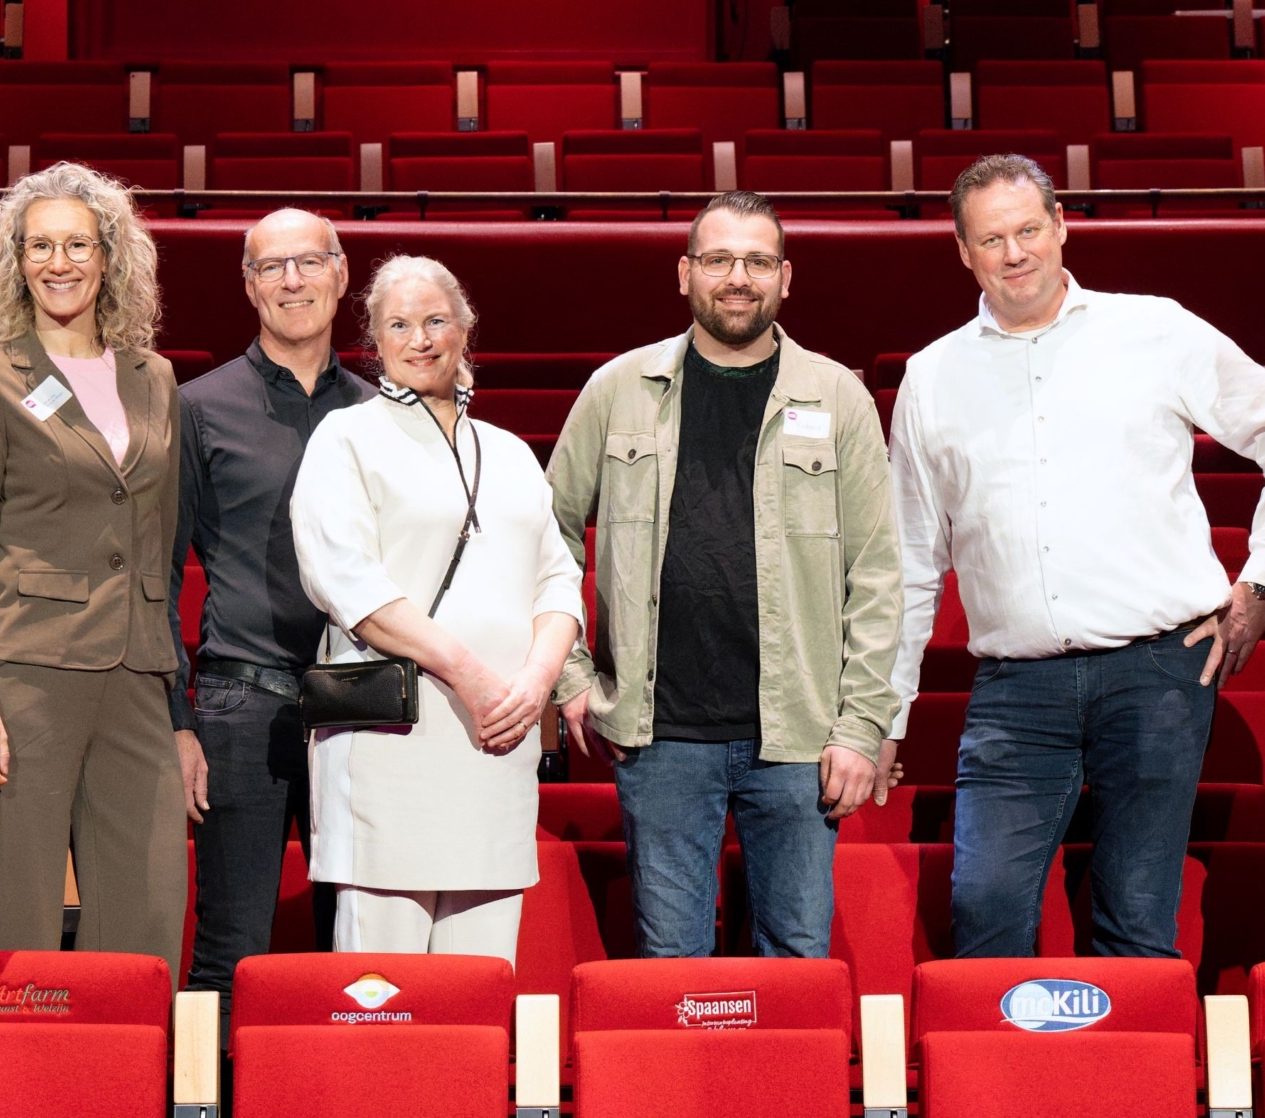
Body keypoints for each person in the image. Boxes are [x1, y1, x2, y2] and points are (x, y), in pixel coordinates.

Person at [886, 154, 1265, 959]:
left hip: (1161, 673)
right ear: (963, 252)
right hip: (1015, 688)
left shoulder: (1155, 329)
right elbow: (910, 561)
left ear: (1063, 224)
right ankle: (1006, 1086)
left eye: (1029, 229)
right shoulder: (932, 378)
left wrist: (1263, 581)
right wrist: (888, 713)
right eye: (992, 239)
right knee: (986, 912)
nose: (1015, 254)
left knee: (1135, 921)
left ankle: (1126, 1085)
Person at [549, 190, 901, 959]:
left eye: (757, 261)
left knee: (798, 957)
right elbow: (545, 537)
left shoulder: (836, 395)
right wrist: (570, 676)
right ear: (685, 274)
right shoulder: (619, 390)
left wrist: (861, 724)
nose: (737, 277)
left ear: (785, 277)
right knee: (671, 965)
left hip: (801, 738)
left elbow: (877, 573)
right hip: (659, 733)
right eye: (718, 260)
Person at [291, 255, 582, 965]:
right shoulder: (346, 438)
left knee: (481, 981)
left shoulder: (510, 452)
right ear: (375, 340)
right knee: (380, 986)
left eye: (434, 320)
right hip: (395, 737)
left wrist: (535, 682)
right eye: (399, 325)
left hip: (497, 744)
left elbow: (558, 580)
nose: (419, 338)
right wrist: (470, 674)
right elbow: (347, 583)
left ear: (466, 328)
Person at [0, 162, 187, 977]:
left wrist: (176, 704)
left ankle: (130, 1092)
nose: (59, 262)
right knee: (17, 923)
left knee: (148, 913)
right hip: (29, 674)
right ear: (17, 260)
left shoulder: (154, 378)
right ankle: (12, 1092)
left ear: (109, 256)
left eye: (77, 244)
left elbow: (160, 542)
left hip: (138, 674)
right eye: (40, 246)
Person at [171, 209, 372, 1001]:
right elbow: (159, 577)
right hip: (240, 704)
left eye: (309, 262)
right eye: (272, 267)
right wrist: (178, 723)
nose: (293, 280)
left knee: (353, 949)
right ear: (249, 286)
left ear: (341, 273)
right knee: (230, 948)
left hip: (359, 704)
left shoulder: (380, 410)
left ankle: (333, 1116)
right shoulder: (198, 407)